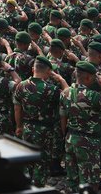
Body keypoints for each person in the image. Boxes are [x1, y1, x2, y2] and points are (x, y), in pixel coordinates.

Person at [60, 61, 101, 193]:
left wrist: (66, 134)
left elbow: (63, 117)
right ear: (88, 77)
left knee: (72, 178)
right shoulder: (91, 95)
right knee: (91, 181)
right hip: (88, 141)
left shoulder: (65, 93)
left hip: (70, 138)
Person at [13, 56, 67, 187]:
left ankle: (25, 186)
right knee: (41, 163)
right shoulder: (51, 89)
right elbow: (68, 95)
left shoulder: (21, 86)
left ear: (33, 69)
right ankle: (37, 188)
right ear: (49, 71)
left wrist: (19, 126)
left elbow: (17, 108)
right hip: (45, 131)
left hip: (27, 127)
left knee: (27, 159)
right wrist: (61, 80)